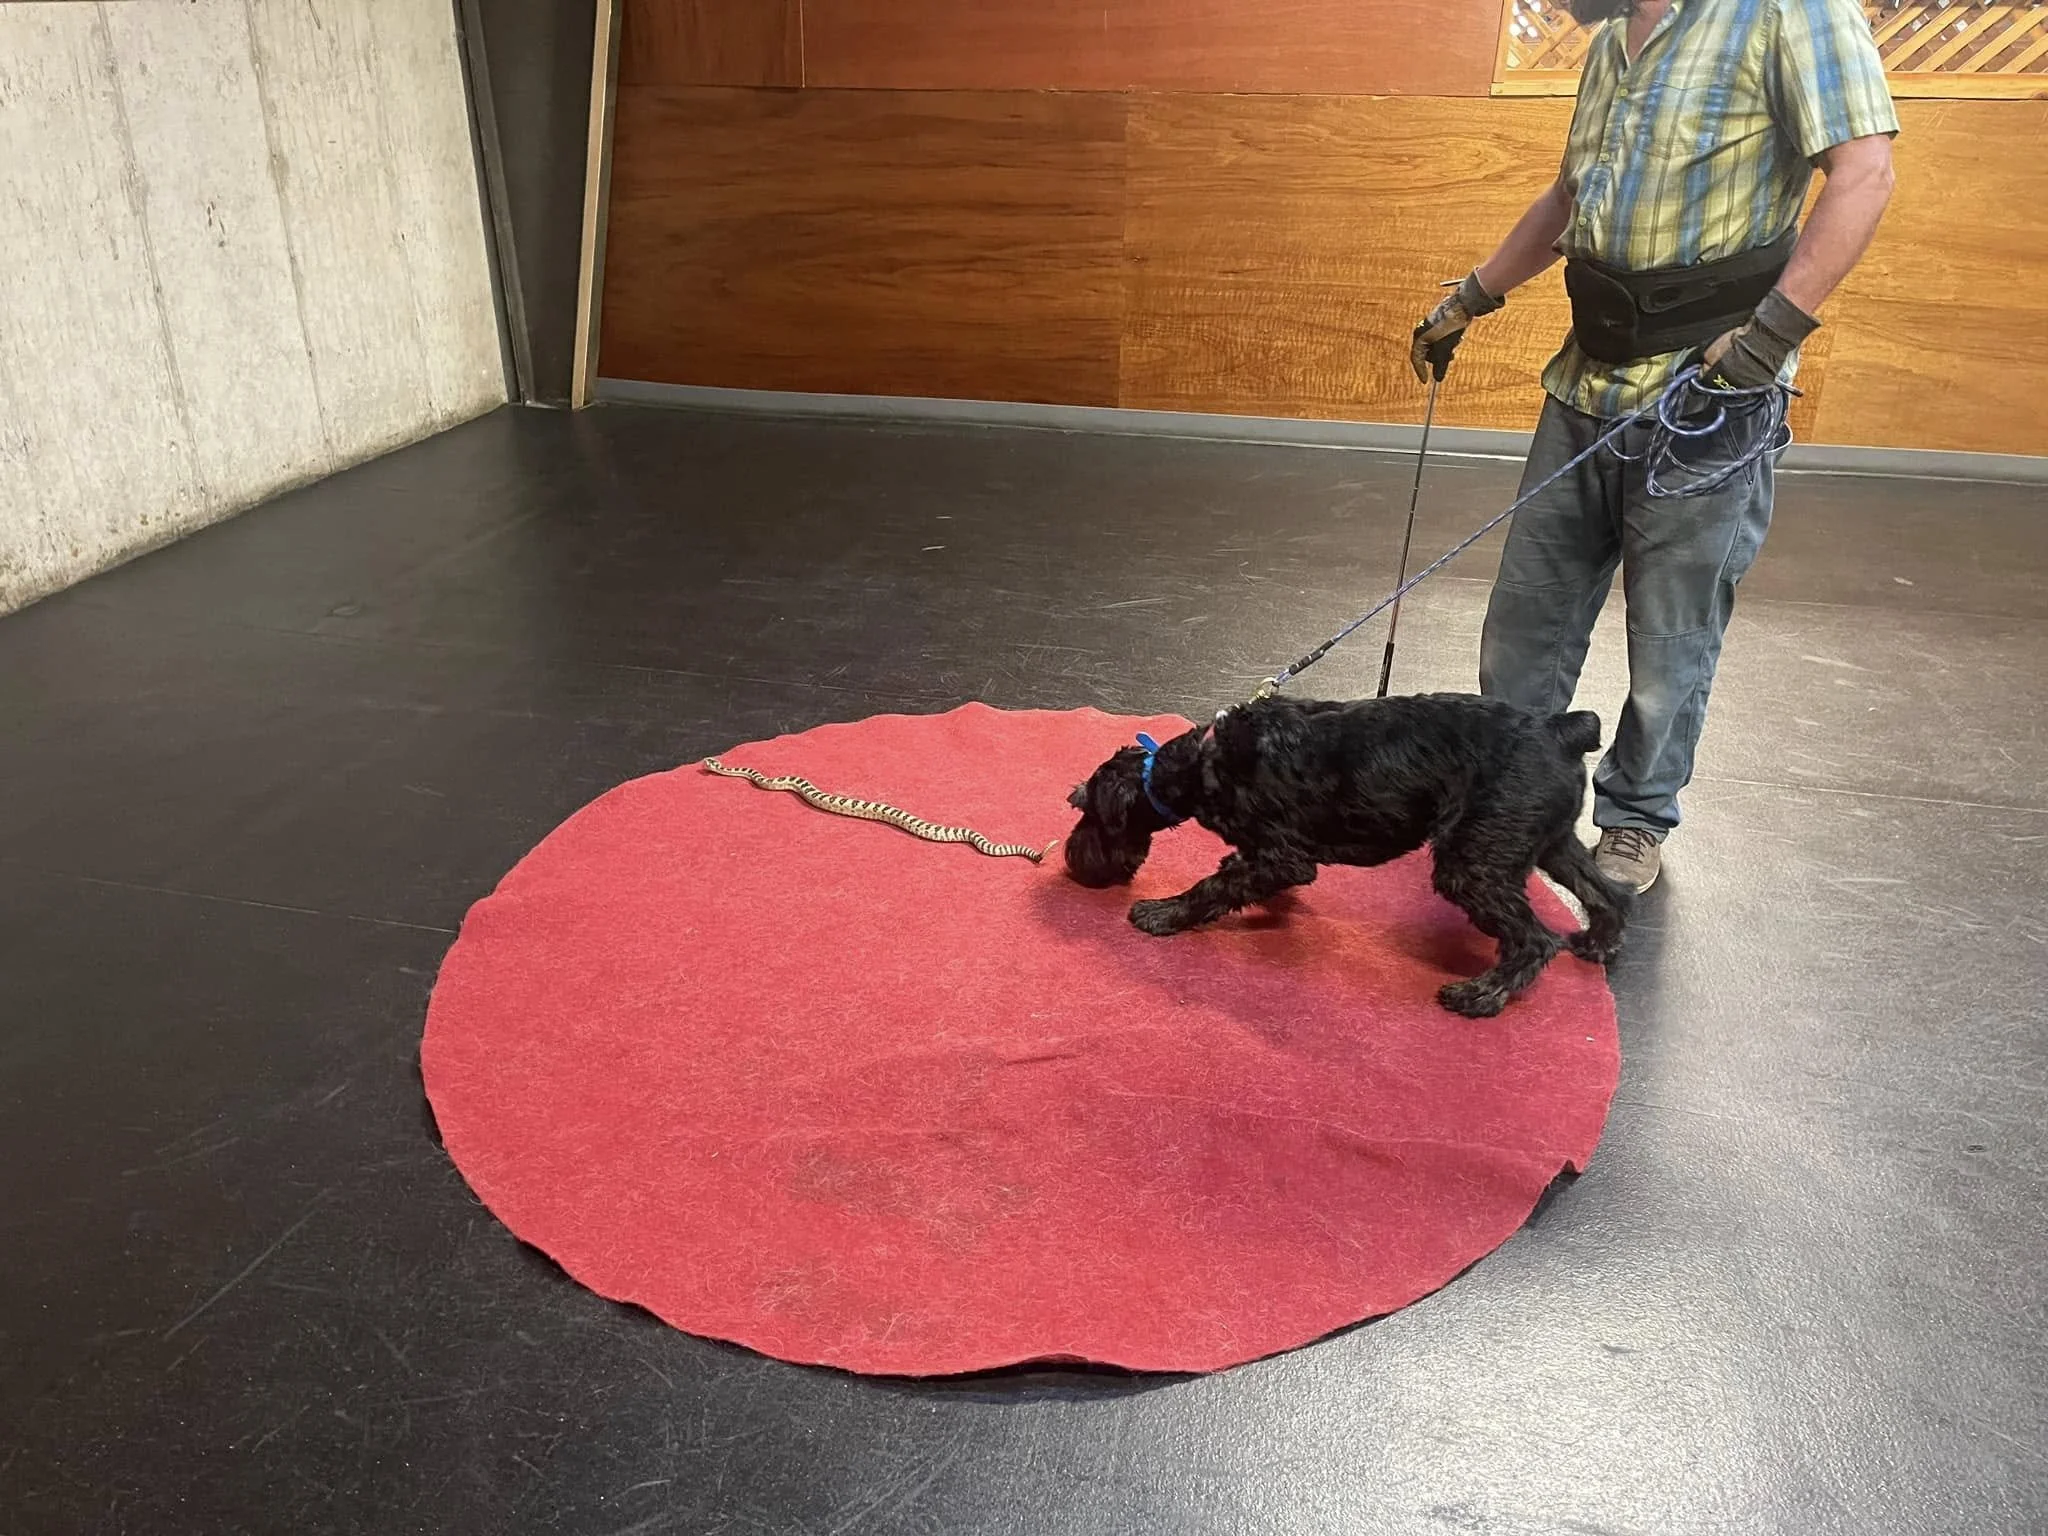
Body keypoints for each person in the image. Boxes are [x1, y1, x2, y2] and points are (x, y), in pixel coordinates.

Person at [1412, 0, 1897, 893]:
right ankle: (1500, 794)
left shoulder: (1789, 15)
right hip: (1584, 381)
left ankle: (1635, 819)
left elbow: (1864, 170)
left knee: (1672, 636)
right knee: (1525, 622)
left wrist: (1770, 336)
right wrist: (1471, 298)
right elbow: (1569, 196)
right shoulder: (1607, 47)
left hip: (1710, 396)